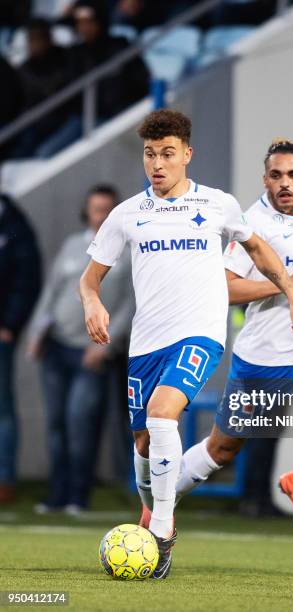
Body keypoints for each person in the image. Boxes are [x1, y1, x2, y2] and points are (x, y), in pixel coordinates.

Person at [79, 109, 293, 578]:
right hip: (147, 344)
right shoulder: (127, 215)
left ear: (187, 154)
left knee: (163, 416)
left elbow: (258, 249)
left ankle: (162, 533)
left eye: (167, 154)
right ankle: (152, 511)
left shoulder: (217, 204)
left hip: (201, 333)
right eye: (149, 155)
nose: (157, 164)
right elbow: (90, 280)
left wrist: (291, 292)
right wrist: (92, 303)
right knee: (144, 444)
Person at [148, 139, 293, 541]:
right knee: (222, 450)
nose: (284, 183)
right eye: (276, 176)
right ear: (265, 180)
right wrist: (285, 287)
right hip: (260, 364)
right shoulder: (252, 224)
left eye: (292, 175)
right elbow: (223, 288)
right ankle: (155, 503)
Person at [27, 185, 133, 514]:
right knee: (57, 423)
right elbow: (53, 290)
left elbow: (131, 304)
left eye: (106, 209)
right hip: (57, 346)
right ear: (87, 211)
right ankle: (56, 495)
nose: (100, 215)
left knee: (80, 423)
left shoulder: (128, 251)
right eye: (95, 208)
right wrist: (36, 331)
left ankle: (77, 496)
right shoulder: (73, 244)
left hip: (92, 351)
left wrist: (107, 344)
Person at [38, 0, 149, 158]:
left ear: (100, 22)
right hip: (81, 119)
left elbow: (142, 82)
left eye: (89, 22)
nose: (84, 28)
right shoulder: (75, 54)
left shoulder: (120, 47)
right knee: (46, 153)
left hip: (114, 118)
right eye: (80, 23)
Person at [0, 192, 41, 503]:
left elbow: (28, 277)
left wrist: (10, 325)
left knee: (2, 409)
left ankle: (4, 481)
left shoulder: (13, 221)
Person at [14, 18, 71, 158]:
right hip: (35, 125)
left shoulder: (67, 60)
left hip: (64, 119)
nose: (33, 44)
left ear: (48, 39)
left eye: (37, 38)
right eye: (30, 39)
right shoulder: (24, 69)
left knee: (43, 153)